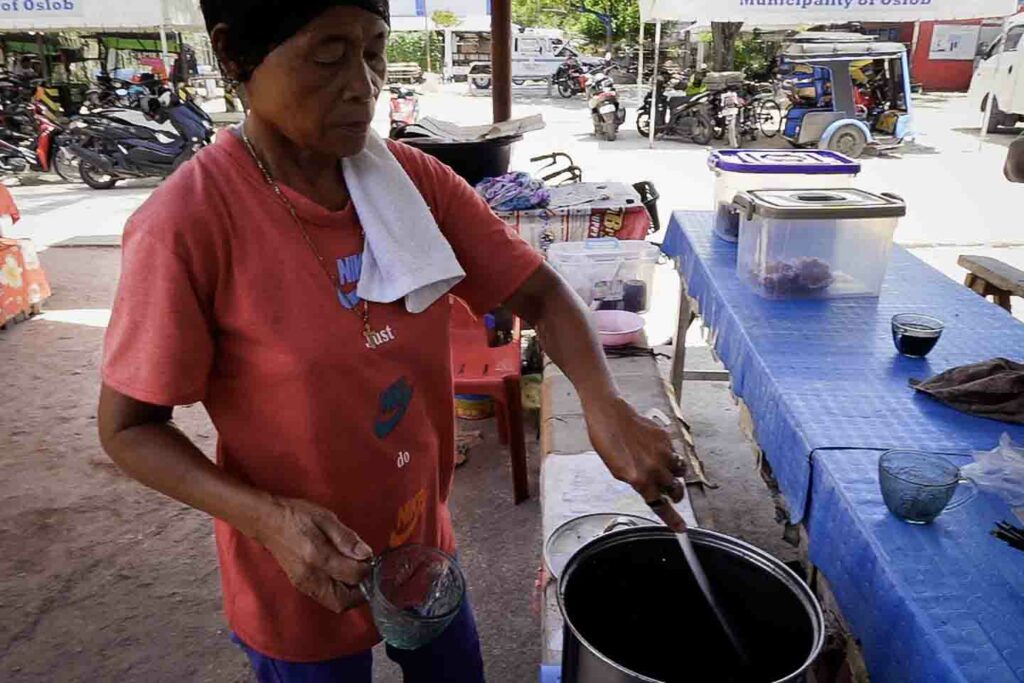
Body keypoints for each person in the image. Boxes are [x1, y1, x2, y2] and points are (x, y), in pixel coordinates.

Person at [96, 1, 689, 681]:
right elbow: (129, 428)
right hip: (297, 560)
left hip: (421, 536)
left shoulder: (414, 184)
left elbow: (543, 295)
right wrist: (267, 519)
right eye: (328, 55)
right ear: (234, 57)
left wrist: (603, 402)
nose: (363, 83)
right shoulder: (189, 221)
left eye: (374, 51)